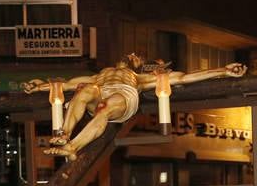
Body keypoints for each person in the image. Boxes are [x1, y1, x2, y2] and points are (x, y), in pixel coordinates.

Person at [22, 54, 245, 160]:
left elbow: (184, 78)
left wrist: (223, 70)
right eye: (129, 54)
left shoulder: (139, 77)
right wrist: (38, 86)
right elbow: (66, 84)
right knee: (85, 91)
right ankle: (65, 134)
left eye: (134, 56)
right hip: (100, 90)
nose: (130, 56)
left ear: (138, 64)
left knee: (106, 107)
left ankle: (73, 147)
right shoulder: (98, 75)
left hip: (123, 97)